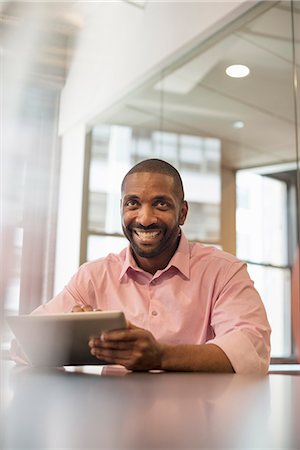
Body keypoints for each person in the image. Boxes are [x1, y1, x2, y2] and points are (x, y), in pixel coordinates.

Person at [14, 158, 271, 373]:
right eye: (133, 203)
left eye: (161, 204)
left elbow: (251, 349)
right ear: (122, 209)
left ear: (182, 213)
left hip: (198, 422)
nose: (145, 219)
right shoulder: (93, 276)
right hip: (113, 423)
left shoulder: (224, 271)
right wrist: (69, 334)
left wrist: (160, 356)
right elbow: (23, 344)